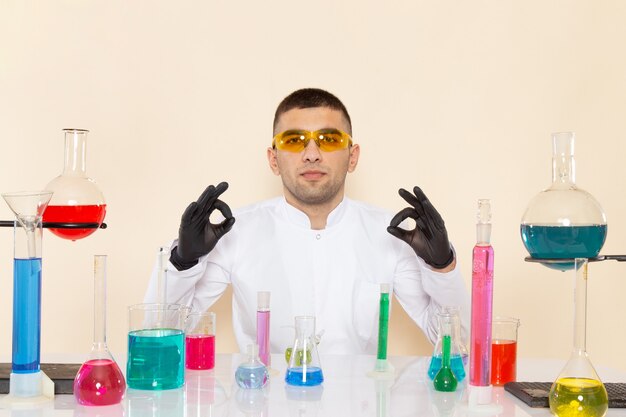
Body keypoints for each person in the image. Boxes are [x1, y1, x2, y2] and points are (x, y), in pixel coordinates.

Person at [145, 88, 469, 355]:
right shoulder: (235, 232)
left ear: (352, 157)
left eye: (328, 139)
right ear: (274, 159)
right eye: (294, 140)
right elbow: (156, 335)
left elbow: (459, 344)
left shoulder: (391, 235)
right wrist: (183, 262)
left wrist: (442, 267)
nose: (312, 154)